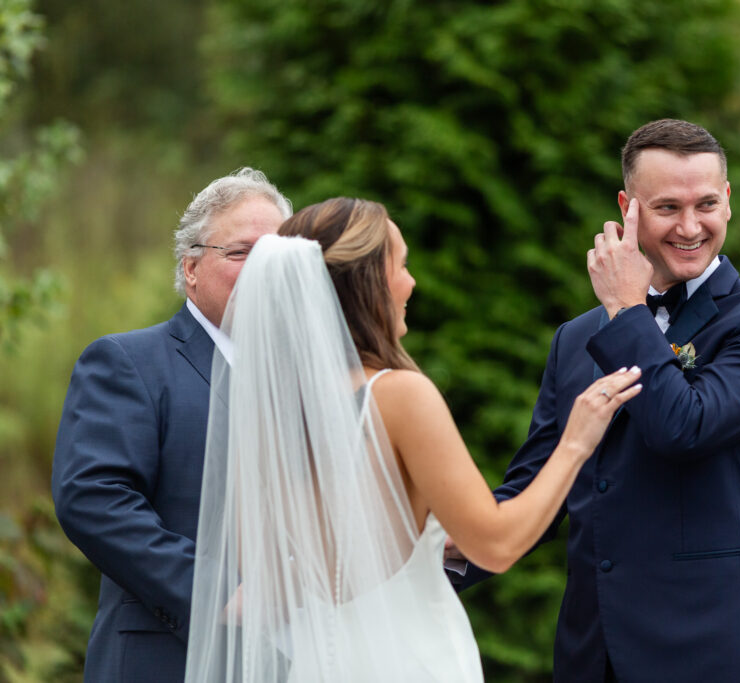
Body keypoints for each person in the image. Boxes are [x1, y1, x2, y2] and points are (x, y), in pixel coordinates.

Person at [183, 198, 643, 682]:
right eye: (400, 265)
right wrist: (575, 441)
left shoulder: (281, 413)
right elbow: (498, 544)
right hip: (410, 660)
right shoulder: (399, 395)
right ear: (368, 283)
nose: (411, 282)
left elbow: (277, 581)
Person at [455, 119, 740, 681]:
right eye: (668, 207)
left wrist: (627, 311)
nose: (691, 226)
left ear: (729, 207)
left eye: (707, 204)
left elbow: (682, 427)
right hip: (595, 653)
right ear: (629, 208)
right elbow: (537, 487)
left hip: (717, 655)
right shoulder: (576, 338)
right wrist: (447, 551)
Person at [51, 168, 291, 683]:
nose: (260, 269)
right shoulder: (127, 361)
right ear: (191, 268)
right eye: (241, 252)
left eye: (274, 256)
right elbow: (93, 497)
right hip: (163, 660)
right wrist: (215, 593)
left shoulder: (303, 382)